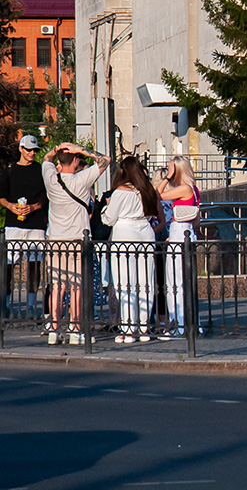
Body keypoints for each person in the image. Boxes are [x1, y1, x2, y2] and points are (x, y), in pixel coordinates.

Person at [42, 142, 110, 345]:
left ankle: (54, 328)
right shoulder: (81, 179)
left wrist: (58, 149)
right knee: (76, 286)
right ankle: (75, 328)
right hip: (77, 240)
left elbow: (46, 159)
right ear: (74, 160)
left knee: (57, 285)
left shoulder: (51, 179)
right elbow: (105, 160)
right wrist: (79, 149)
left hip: (55, 240)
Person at [103, 156, 162, 343]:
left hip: (125, 233)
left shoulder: (121, 191)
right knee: (145, 282)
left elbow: (109, 219)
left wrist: (106, 207)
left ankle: (128, 327)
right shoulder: (147, 190)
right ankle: (143, 327)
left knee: (124, 282)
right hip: (145, 232)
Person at [1, 135, 48, 319]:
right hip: (14, 223)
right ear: (21, 149)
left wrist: (34, 207)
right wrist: (10, 206)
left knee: (34, 265)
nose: (32, 153)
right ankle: (5, 304)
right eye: (29, 150)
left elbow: (46, 196)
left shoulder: (40, 170)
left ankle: (30, 306)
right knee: (9, 265)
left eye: (35, 150)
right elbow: (2, 195)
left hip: (36, 223)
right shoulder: (10, 170)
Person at [157, 155, 199, 337]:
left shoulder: (184, 189)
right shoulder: (194, 190)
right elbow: (196, 220)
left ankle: (178, 324)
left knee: (174, 281)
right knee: (183, 280)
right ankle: (187, 322)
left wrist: (166, 177)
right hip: (186, 231)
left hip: (179, 232)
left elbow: (156, 195)